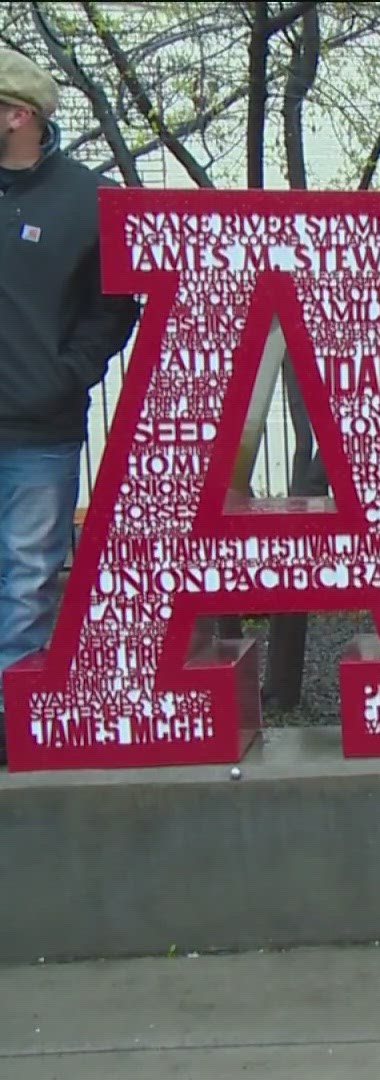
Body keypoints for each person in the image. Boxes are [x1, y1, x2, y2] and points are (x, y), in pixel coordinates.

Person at [0, 50, 140, 767]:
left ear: (17, 115)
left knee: (26, 576)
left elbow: (114, 306)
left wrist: (68, 376)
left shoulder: (86, 200)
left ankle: (9, 723)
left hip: (38, 430)